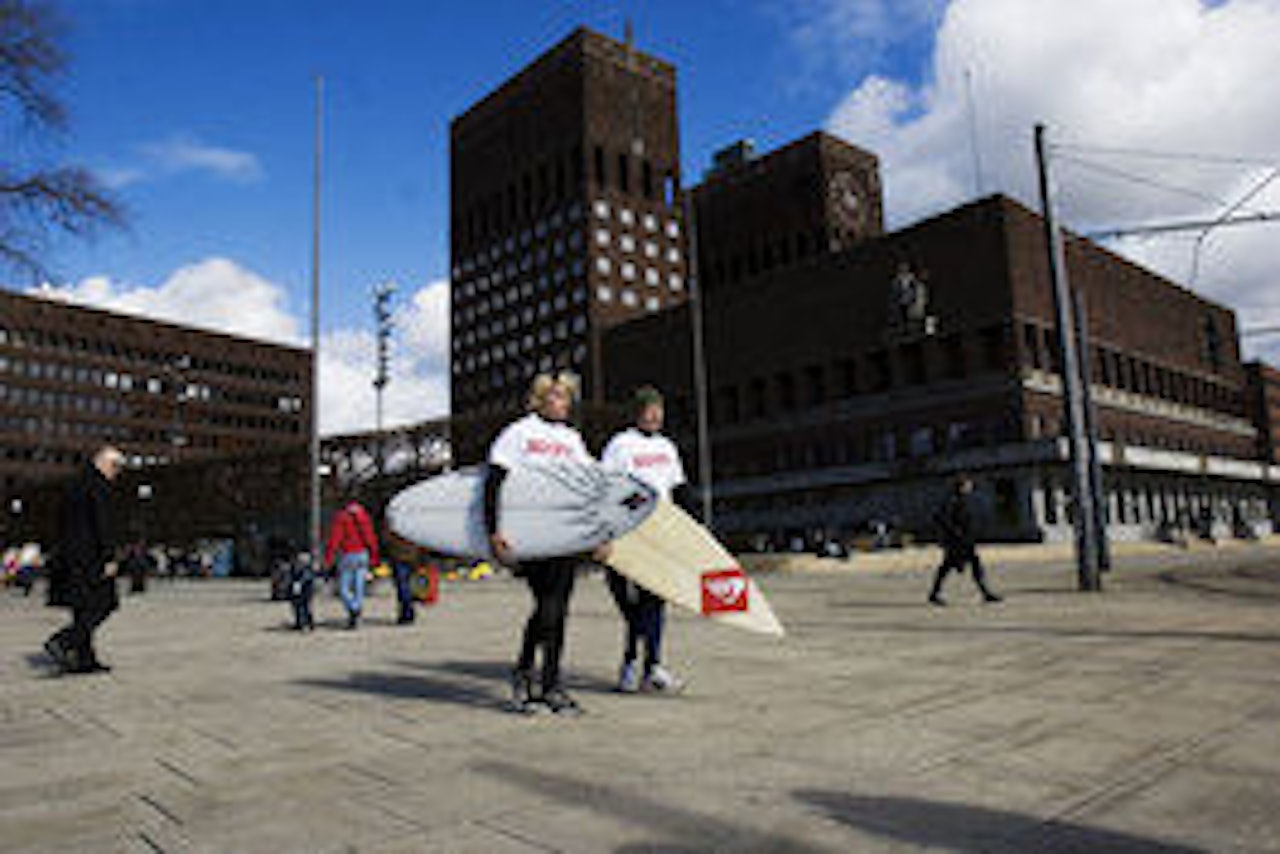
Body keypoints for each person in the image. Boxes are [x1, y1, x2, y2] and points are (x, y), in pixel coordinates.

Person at [486, 372, 602, 716]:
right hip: (531, 533)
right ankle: (539, 681)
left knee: (556, 609)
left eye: (566, 397)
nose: (563, 403)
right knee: (549, 605)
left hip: (565, 532)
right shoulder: (519, 433)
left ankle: (539, 680)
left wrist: (599, 533)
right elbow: (494, 482)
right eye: (556, 396)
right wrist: (494, 531)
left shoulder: (572, 439)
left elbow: (589, 485)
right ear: (539, 400)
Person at [600, 386, 691, 693]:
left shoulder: (667, 447)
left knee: (654, 600)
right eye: (649, 409)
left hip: (660, 531)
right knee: (628, 600)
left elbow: (678, 489)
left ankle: (648, 666)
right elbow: (607, 487)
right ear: (637, 413)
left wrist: (691, 528)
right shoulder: (620, 445)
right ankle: (637, 662)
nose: (655, 415)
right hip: (627, 530)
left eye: (659, 409)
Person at [44, 446, 124, 674]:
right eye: (116, 467)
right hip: (92, 557)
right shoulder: (99, 485)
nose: (117, 473)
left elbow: (60, 522)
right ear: (105, 463)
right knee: (105, 604)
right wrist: (109, 556)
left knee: (82, 608)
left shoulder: (73, 483)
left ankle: (85, 659)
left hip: (71, 557)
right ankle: (64, 641)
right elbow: (102, 523)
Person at [928, 474, 1002, 606]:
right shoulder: (952, 500)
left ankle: (985, 592)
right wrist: (955, 532)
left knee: (970, 564)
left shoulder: (965, 500)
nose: (970, 487)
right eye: (968, 485)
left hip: (965, 539)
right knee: (948, 567)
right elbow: (941, 517)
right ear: (961, 486)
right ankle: (935, 593)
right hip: (956, 541)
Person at [324, 495, 380, 629]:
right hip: (362, 554)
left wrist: (328, 557)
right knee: (359, 586)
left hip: (347, 554)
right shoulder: (364, 517)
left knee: (344, 588)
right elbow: (370, 537)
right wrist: (374, 556)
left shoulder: (341, 517)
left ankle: (353, 609)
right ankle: (356, 610)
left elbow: (335, 538)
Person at [386, 533, 418, 625]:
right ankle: (408, 610)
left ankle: (406, 611)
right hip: (411, 557)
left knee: (402, 585)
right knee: (406, 585)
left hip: (400, 557)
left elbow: (388, 540)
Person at [288, 550, 316, 631]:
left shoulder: (305, 568)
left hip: (304, 585)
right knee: (299, 604)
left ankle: (304, 622)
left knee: (303, 604)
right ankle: (302, 622)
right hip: (300, 584)